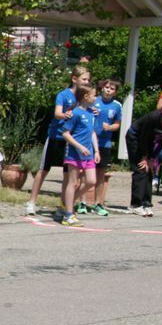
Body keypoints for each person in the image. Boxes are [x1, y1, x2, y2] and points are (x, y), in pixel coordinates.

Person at [26, 66, 88, 215]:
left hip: (70, 140)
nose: (87, 82)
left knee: (67, 174)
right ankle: (31, 202)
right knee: (44, 169)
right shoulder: (63, 95)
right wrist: (65, 115)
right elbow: (57, 113)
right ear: (74, 79)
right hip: (56, 136)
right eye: (84, 79)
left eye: (88, 80)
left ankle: (63, 205)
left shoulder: (84, 98)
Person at [125, 98, 162, 216]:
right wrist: (145, 157)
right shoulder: (152, 118)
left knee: (150, 171)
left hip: (150, 141)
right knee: (141, 169)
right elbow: (143, 138)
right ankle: (135, 204)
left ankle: (146, 203)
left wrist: (153, 158)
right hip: (135, 137)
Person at [59, 83, 99, 227]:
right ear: (86, 97)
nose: (96, 97)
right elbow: (65, 133)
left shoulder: (91, 112)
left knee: (91, 181)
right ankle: (68, 215)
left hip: (88, 153)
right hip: (74, 153)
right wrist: (79, 146)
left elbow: (92, 132)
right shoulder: (75, 113)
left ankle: (69, 202)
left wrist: (96, 150)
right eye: (94, 95)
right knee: (73, 182)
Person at [89, 78, 122, 216]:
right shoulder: (93, 100)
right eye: (106, 87)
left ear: (115, 92)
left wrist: (110, 127)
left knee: (101, 174)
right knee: (85, 172)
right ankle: (83, 201)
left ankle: (98, 202)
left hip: (105, 143)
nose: (108, 90)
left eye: (112, 88)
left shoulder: (117, 105)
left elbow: (117, 124)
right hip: (89, 141)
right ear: (102, 88)